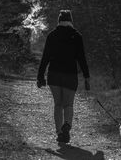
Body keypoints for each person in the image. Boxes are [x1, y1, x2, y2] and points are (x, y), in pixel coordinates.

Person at [37, 10, 90, 143]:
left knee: (57, 104)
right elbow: (82, 58)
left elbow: (45, 57)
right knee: (68, 104)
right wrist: (86, 76)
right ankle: (67, 124)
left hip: (54, 74)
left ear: (59, 20)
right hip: (70, 75)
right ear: (71, 20)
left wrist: (40, 76)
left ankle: (59, 132)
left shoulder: (52, 35)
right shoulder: (76, 36)